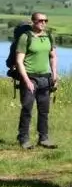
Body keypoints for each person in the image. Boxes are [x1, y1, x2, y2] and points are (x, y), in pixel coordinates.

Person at [13, 12, 59, 149]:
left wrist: (54, 74)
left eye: (45, 20)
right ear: (33, 21)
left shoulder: (49, 36)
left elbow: (53, 56)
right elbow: (19, 61)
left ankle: (43, 138)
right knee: (27, 109)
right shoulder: (25, 37)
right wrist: (26, 80)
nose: (43, 23)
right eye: (40, 20)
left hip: (45, 78)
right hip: (30, 77)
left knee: (44, 110)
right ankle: (23, 139)